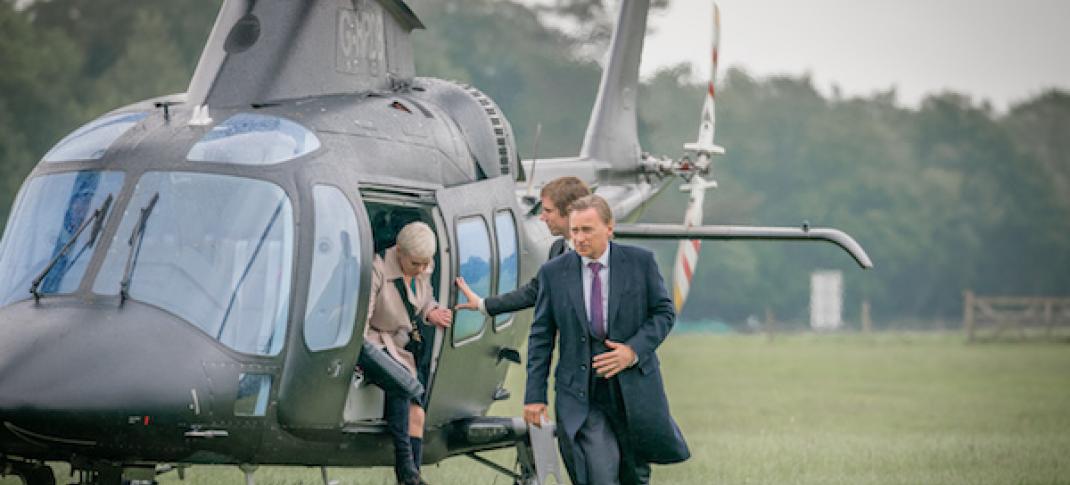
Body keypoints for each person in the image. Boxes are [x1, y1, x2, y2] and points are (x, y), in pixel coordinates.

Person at [524, 195, 690, 485]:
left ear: (609, 228)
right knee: (598, 474)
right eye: (574, 230)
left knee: (634, 476)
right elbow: (541, 337)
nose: (579, 238)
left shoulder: (641, 263)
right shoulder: (554, 273)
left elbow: (663, 313)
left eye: (587, 230)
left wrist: (632, 350)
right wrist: (535, 396)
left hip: (633, 392)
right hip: (581, 395)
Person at [363, 221, 453, 485]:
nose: (423, 270)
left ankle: (411, 476)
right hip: (373, 341)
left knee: (418, 413)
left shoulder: (422, 263)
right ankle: (407, 473)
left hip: (401, 347)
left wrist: (431, 311)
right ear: (399, 251)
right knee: (404, 387)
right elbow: (361, 324)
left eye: (427, 264)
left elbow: (424, 300)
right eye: (416, 264)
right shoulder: (376, 269)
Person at [454, 176, 590, 315]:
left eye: (548, 211)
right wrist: (481, 304)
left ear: (570, 212)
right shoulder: (558, 249)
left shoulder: (601, 256)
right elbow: (536, 291)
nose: (542, 217)